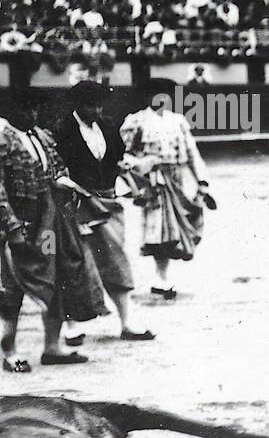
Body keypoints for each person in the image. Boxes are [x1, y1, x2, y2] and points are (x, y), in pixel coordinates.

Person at [0, 90, 108, 371]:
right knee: (12, 288)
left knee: (55, 274)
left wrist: (71, 186)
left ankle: (51, 347)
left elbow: (57, 172)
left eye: (35, 109)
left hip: (47, 226)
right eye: (26, 109)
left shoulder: (42, 136)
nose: (32, 115)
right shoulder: (3, 138)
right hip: (19, 226)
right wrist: (12, 229)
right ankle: (9, 352)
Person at [54, 80, 154, 343]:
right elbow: (58, 169)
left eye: (99, 104)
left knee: (116, 260)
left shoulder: (108, 126)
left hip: (108, 202)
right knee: (76, 263)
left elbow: (120, 160)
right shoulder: (62, 129)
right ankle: (72, 326)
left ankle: (126, 322)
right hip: (75, 204)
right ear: (77, 104)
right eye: (91, 105)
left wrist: (134, 174)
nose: (96, 110)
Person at [119, 81, 215, 299]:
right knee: (160, 230)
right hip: (153, 182)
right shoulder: (136, 121)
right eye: (156, 94)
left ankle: (162, 277)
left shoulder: (178, 121)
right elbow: (124, 154)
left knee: (178, 226)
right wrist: (142, 166)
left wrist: (202, 181)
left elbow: (192, 153)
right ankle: (160, 278)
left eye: (166, 94)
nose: (162, 98)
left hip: (177, 179)